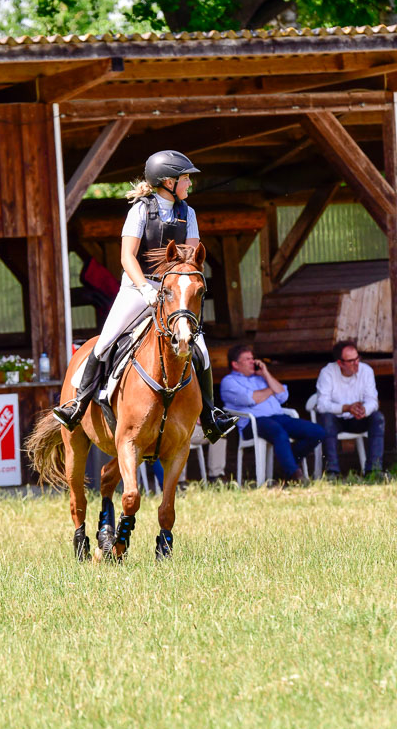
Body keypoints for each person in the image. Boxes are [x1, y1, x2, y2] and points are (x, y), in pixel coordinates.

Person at [53, 150, 237, 443]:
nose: (189, 183)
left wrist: (176, 288)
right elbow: (127, 257)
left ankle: (211, 414)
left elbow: (190, 257)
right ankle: (78, 405)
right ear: (167, 181)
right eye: (186, 178)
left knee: (199, 349)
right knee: (104, 343)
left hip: (174, 291)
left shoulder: (187, 213)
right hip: (140, 287)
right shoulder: (140, 210)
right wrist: (144, 290)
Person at [220, 344, 325, 484]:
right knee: (277, 430)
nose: (253, 361)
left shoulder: (261, 377)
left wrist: (266, 374)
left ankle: (288, 464)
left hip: (278, 417)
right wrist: (271, 389)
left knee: (317, 432)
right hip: (253, 423)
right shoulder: (229, 382)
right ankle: (294, 475)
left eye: (253, 358)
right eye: (247, 359)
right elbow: (251, 399)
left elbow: (283, 395)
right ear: (235, 364)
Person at [316, 340, 385, 477]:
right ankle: (332, 472)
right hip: (337, 420)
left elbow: (373, 400)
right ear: (340, 363)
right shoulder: (327, 372)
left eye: (357, 358)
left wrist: (364, 409)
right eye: (351, 361)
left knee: (378, 417)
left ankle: (374, 471)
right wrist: (346, 408)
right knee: (326, 419)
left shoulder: (366, 371)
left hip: (358, 419)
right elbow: (322, 405)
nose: (356, 363)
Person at [178, 420, 227, 485]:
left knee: (219, 432)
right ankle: (179, 482)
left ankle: (215, 477)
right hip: (175, 427)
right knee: (179, 435)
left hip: (194, 428)